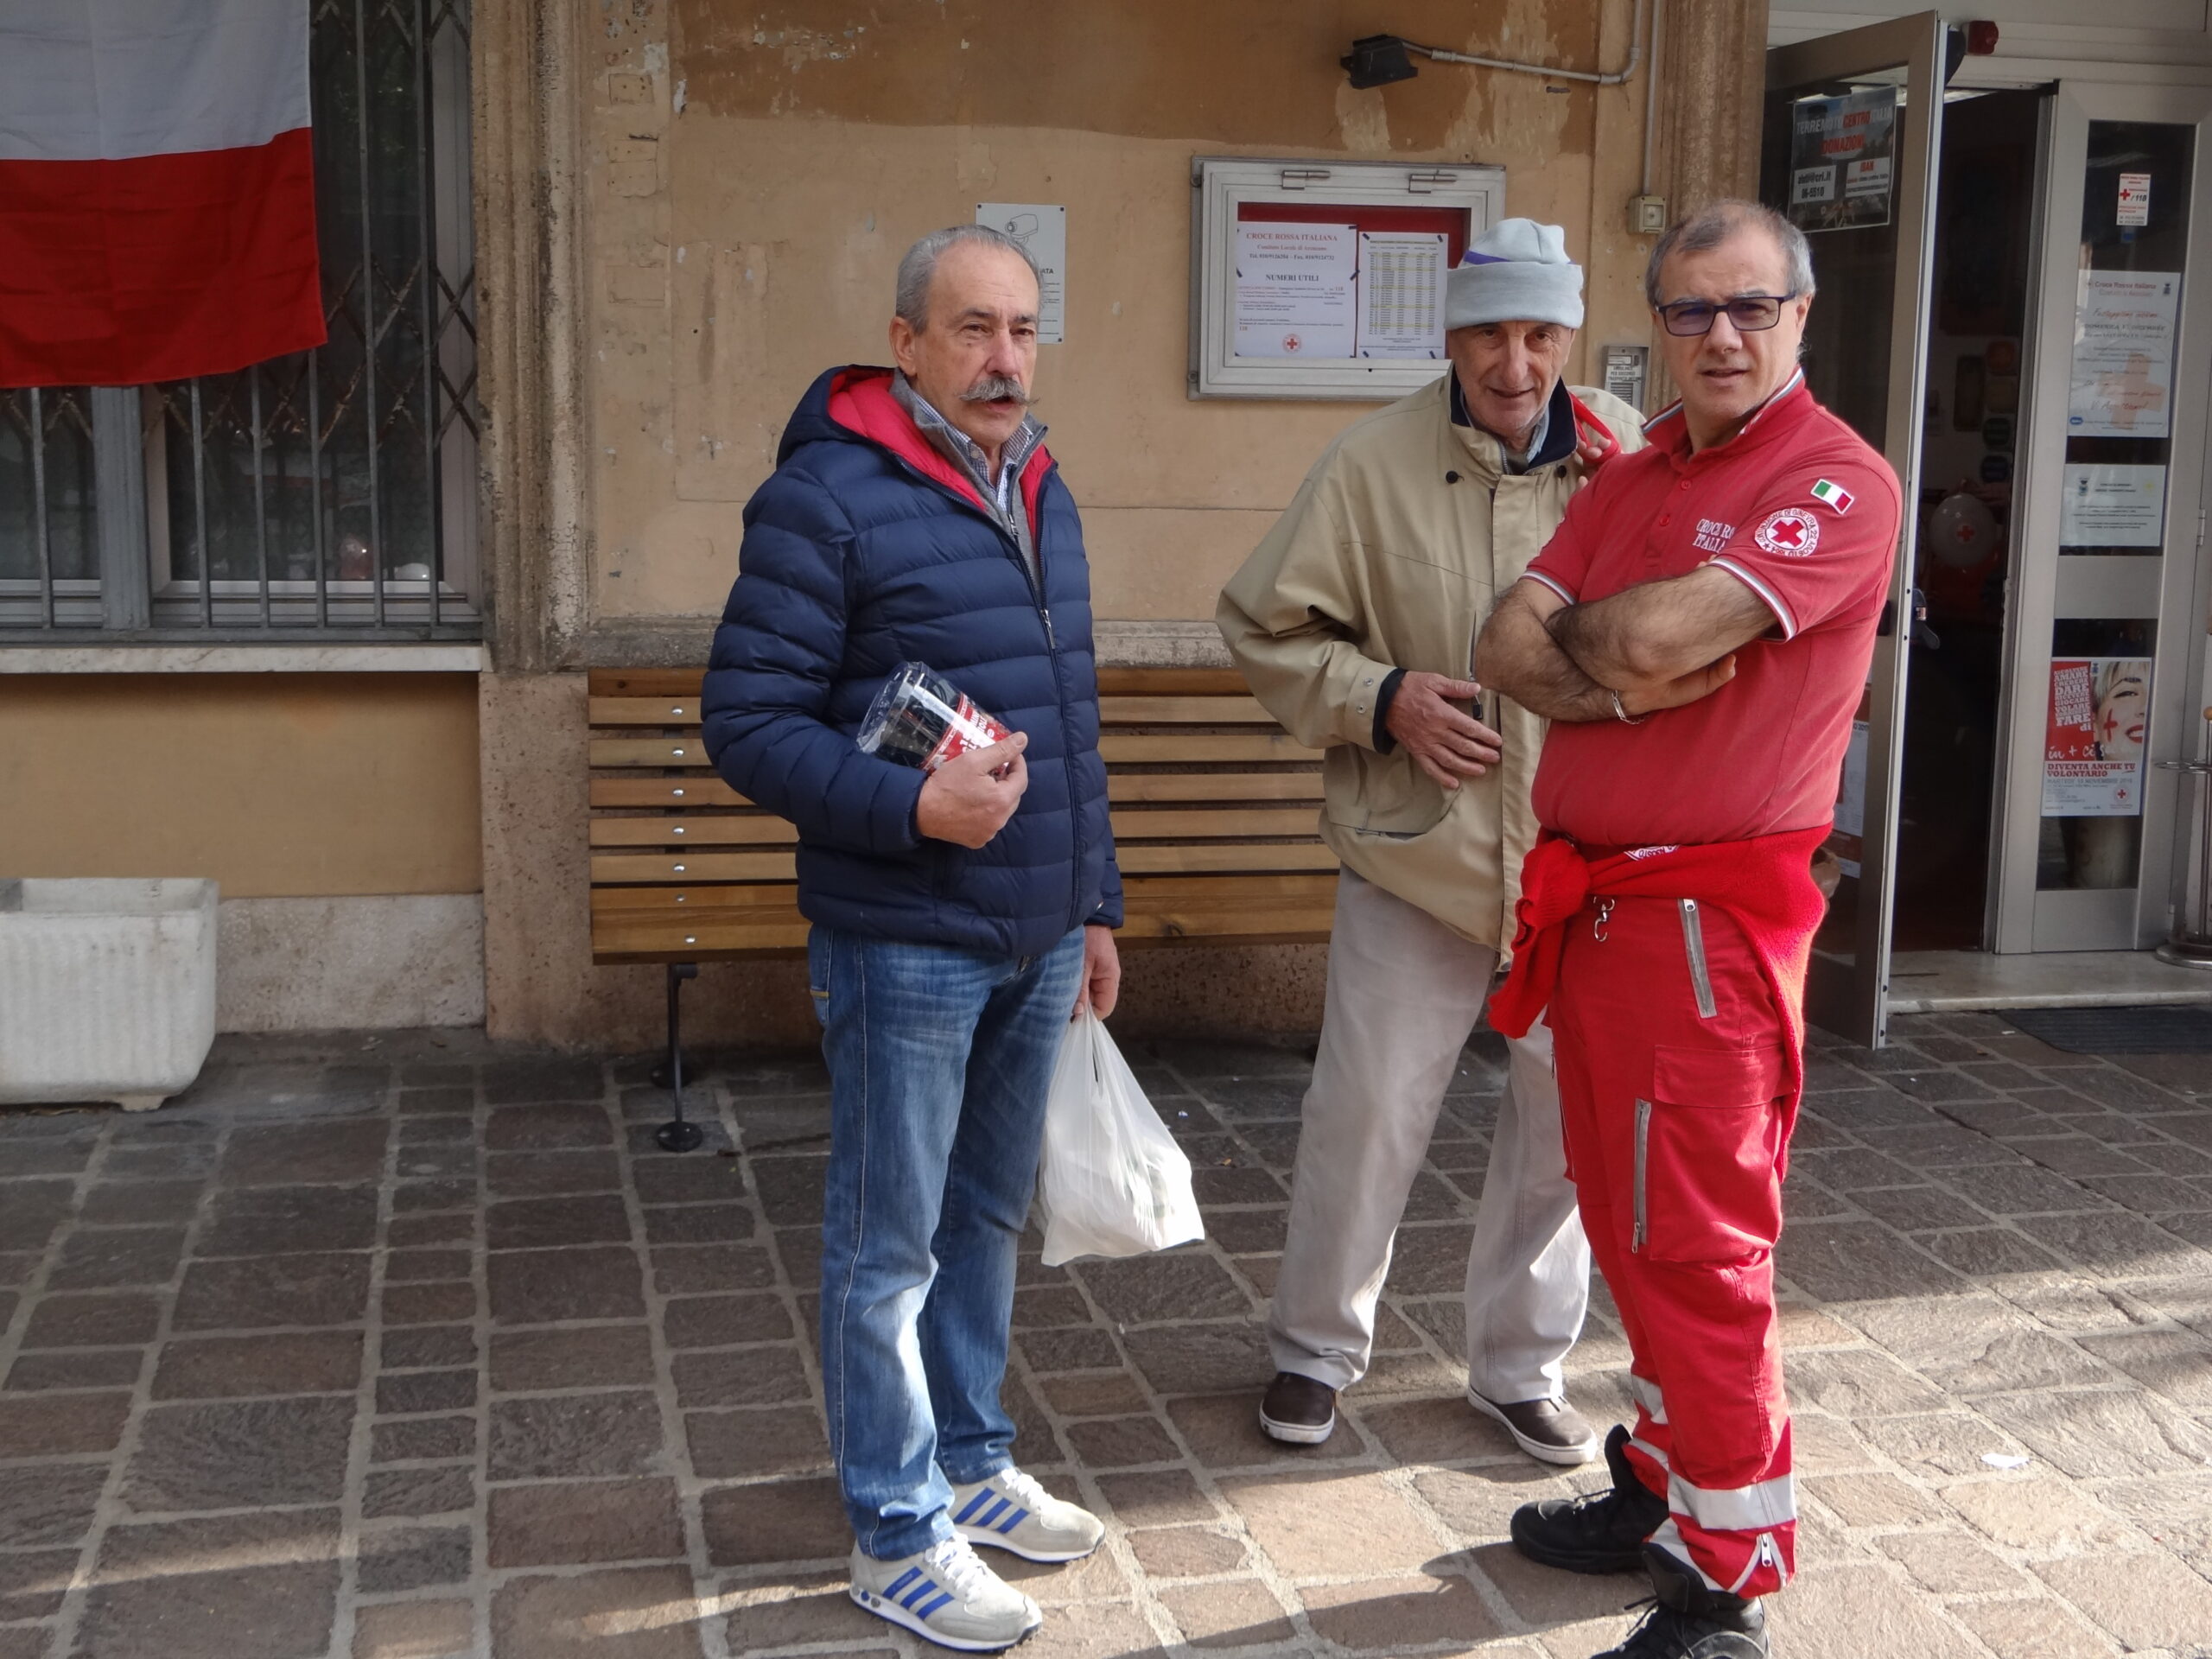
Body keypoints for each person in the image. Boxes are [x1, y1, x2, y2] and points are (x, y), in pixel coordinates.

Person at [1473, 200, 1901, 1659]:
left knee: (1698, 1242)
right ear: (1653, 327)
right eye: (1689, 312)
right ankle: (1663, 1484)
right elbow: (1499, 643)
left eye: (1750, 308)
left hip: (1704, 924)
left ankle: (1729, 1575)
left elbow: (1628, 635)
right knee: (1626, 1216)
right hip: (1598, 908)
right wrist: (1630, 669)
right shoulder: (1642, 463)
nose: (1720, 335)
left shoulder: (1837, 482)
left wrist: (1615, 647)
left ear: (1801, 315)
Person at [701, 223, 1122, 1654]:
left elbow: (1070, 717)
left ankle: (970, 1460)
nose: (1005, 358)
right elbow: (745, 725)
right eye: (972, 330)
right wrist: (908, 806)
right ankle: (896, 1530)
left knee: (986, 1220)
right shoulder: (823, 499)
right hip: (905, 938)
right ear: (906, 345)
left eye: (1022, 328)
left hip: (1034, 929)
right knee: (885, 1246)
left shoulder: (1041, 485)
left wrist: (1093, 900)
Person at [1217, 219, 1644, 1464]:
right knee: (1365, 1118)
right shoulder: (1368, 464)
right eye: (1487, 336)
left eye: (1539, 334)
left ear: (1568, 336)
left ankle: (1521, 1363)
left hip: (1582, 863)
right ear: (1448, 337)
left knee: (1564, 1132)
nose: (1515, 364)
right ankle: (1312, 1351)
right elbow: (1266, 630)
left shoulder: (1629, 456)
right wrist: (1384, 697)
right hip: (1420, 851)